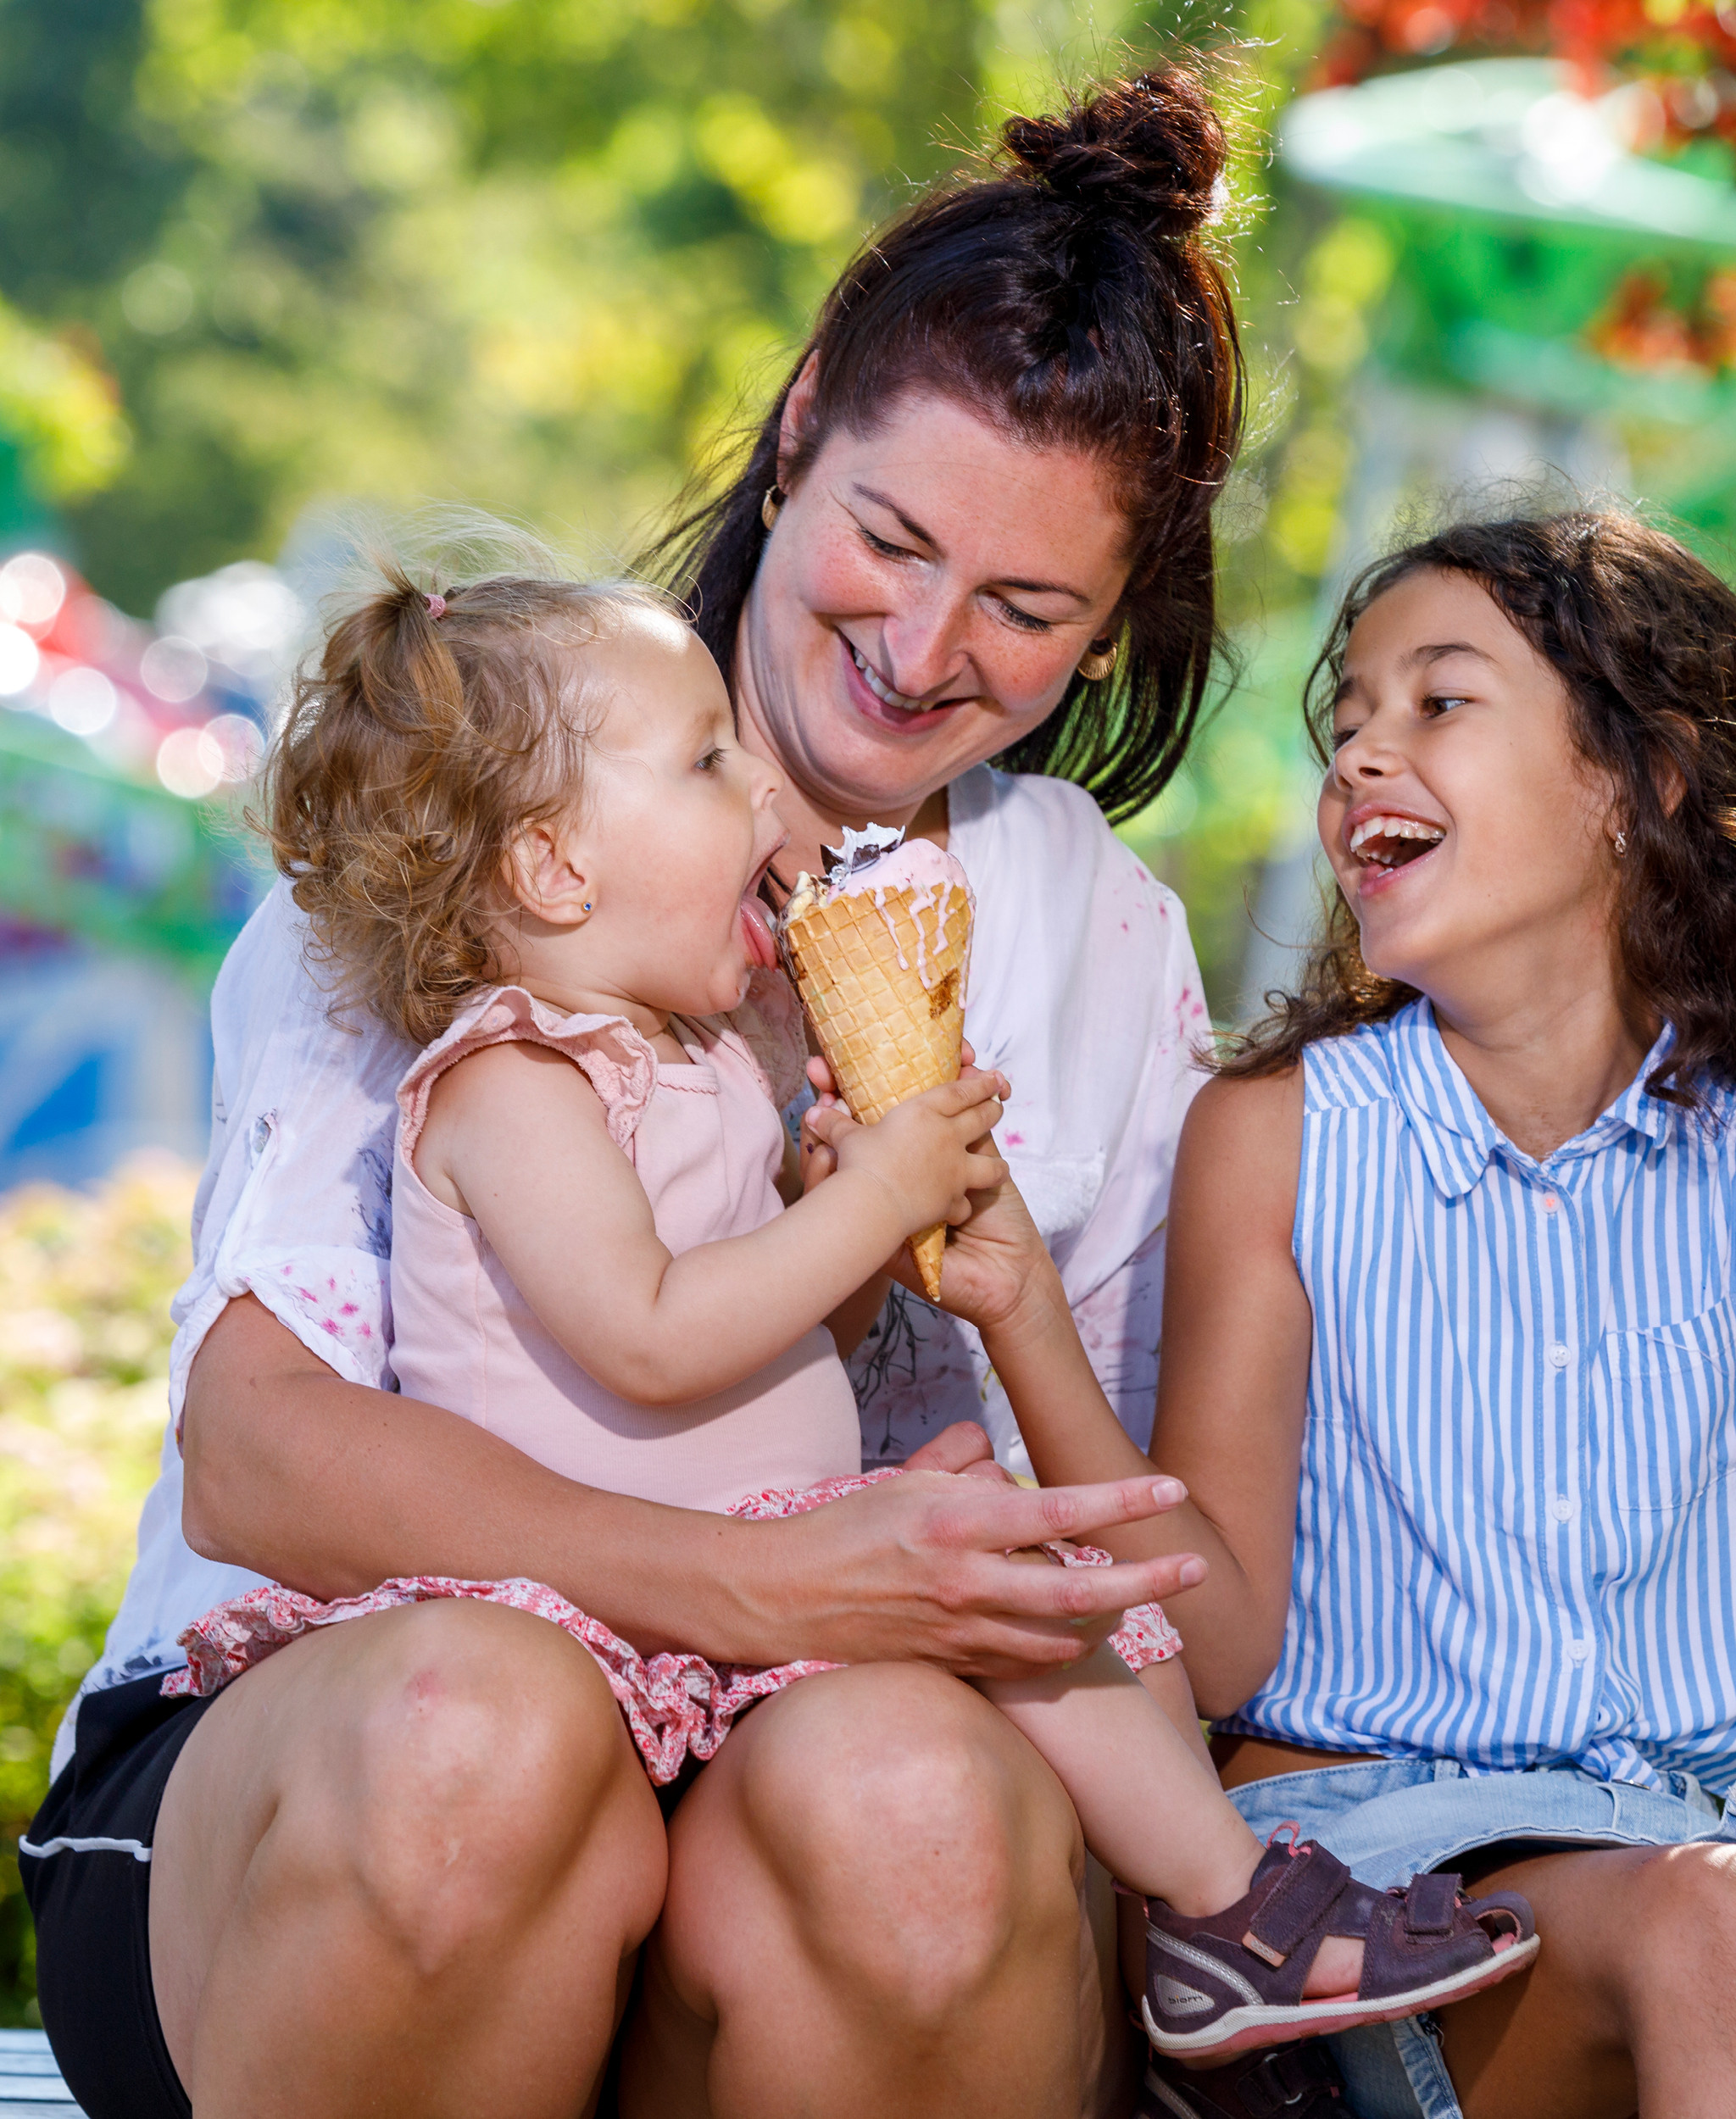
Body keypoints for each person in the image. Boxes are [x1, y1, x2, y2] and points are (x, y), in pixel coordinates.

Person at [21, 68, 1244, 2119]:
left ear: (1115, 626)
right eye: (888, 538)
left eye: (1026, 609)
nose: (920, 645)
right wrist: (745, 1580)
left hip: (800, 1824)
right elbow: (256, 1451)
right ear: (799, 428)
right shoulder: (485, 799)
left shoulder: (1097, 939)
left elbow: (1160, 1583)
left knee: (915, 1800)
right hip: (334, 1762)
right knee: (475, 1734)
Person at [164, 559, 1538, 2068]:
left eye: (1029, 604)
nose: (764, 787)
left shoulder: (696, 1055)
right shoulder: (512, 1080)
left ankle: (1224, 1917)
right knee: (1001, 1627)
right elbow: (649, 1334)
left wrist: (861, 1250)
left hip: (747, 1561)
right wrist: (869, 1204)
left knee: (1063, 1604)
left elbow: (749, 1344)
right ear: (554, 869)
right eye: (706, 761)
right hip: (581, 1599)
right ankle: (1232, 1913)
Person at [980, 509, 1736, 2119]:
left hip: (1695, 1834)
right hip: (1367, 1881)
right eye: (1349, 718)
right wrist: (1018, 1303)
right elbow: (1219, 1642)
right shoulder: (1277, 1137)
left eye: (1439, 701)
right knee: (1714, 1923)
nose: (1363, 752)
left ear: (1641, 781)